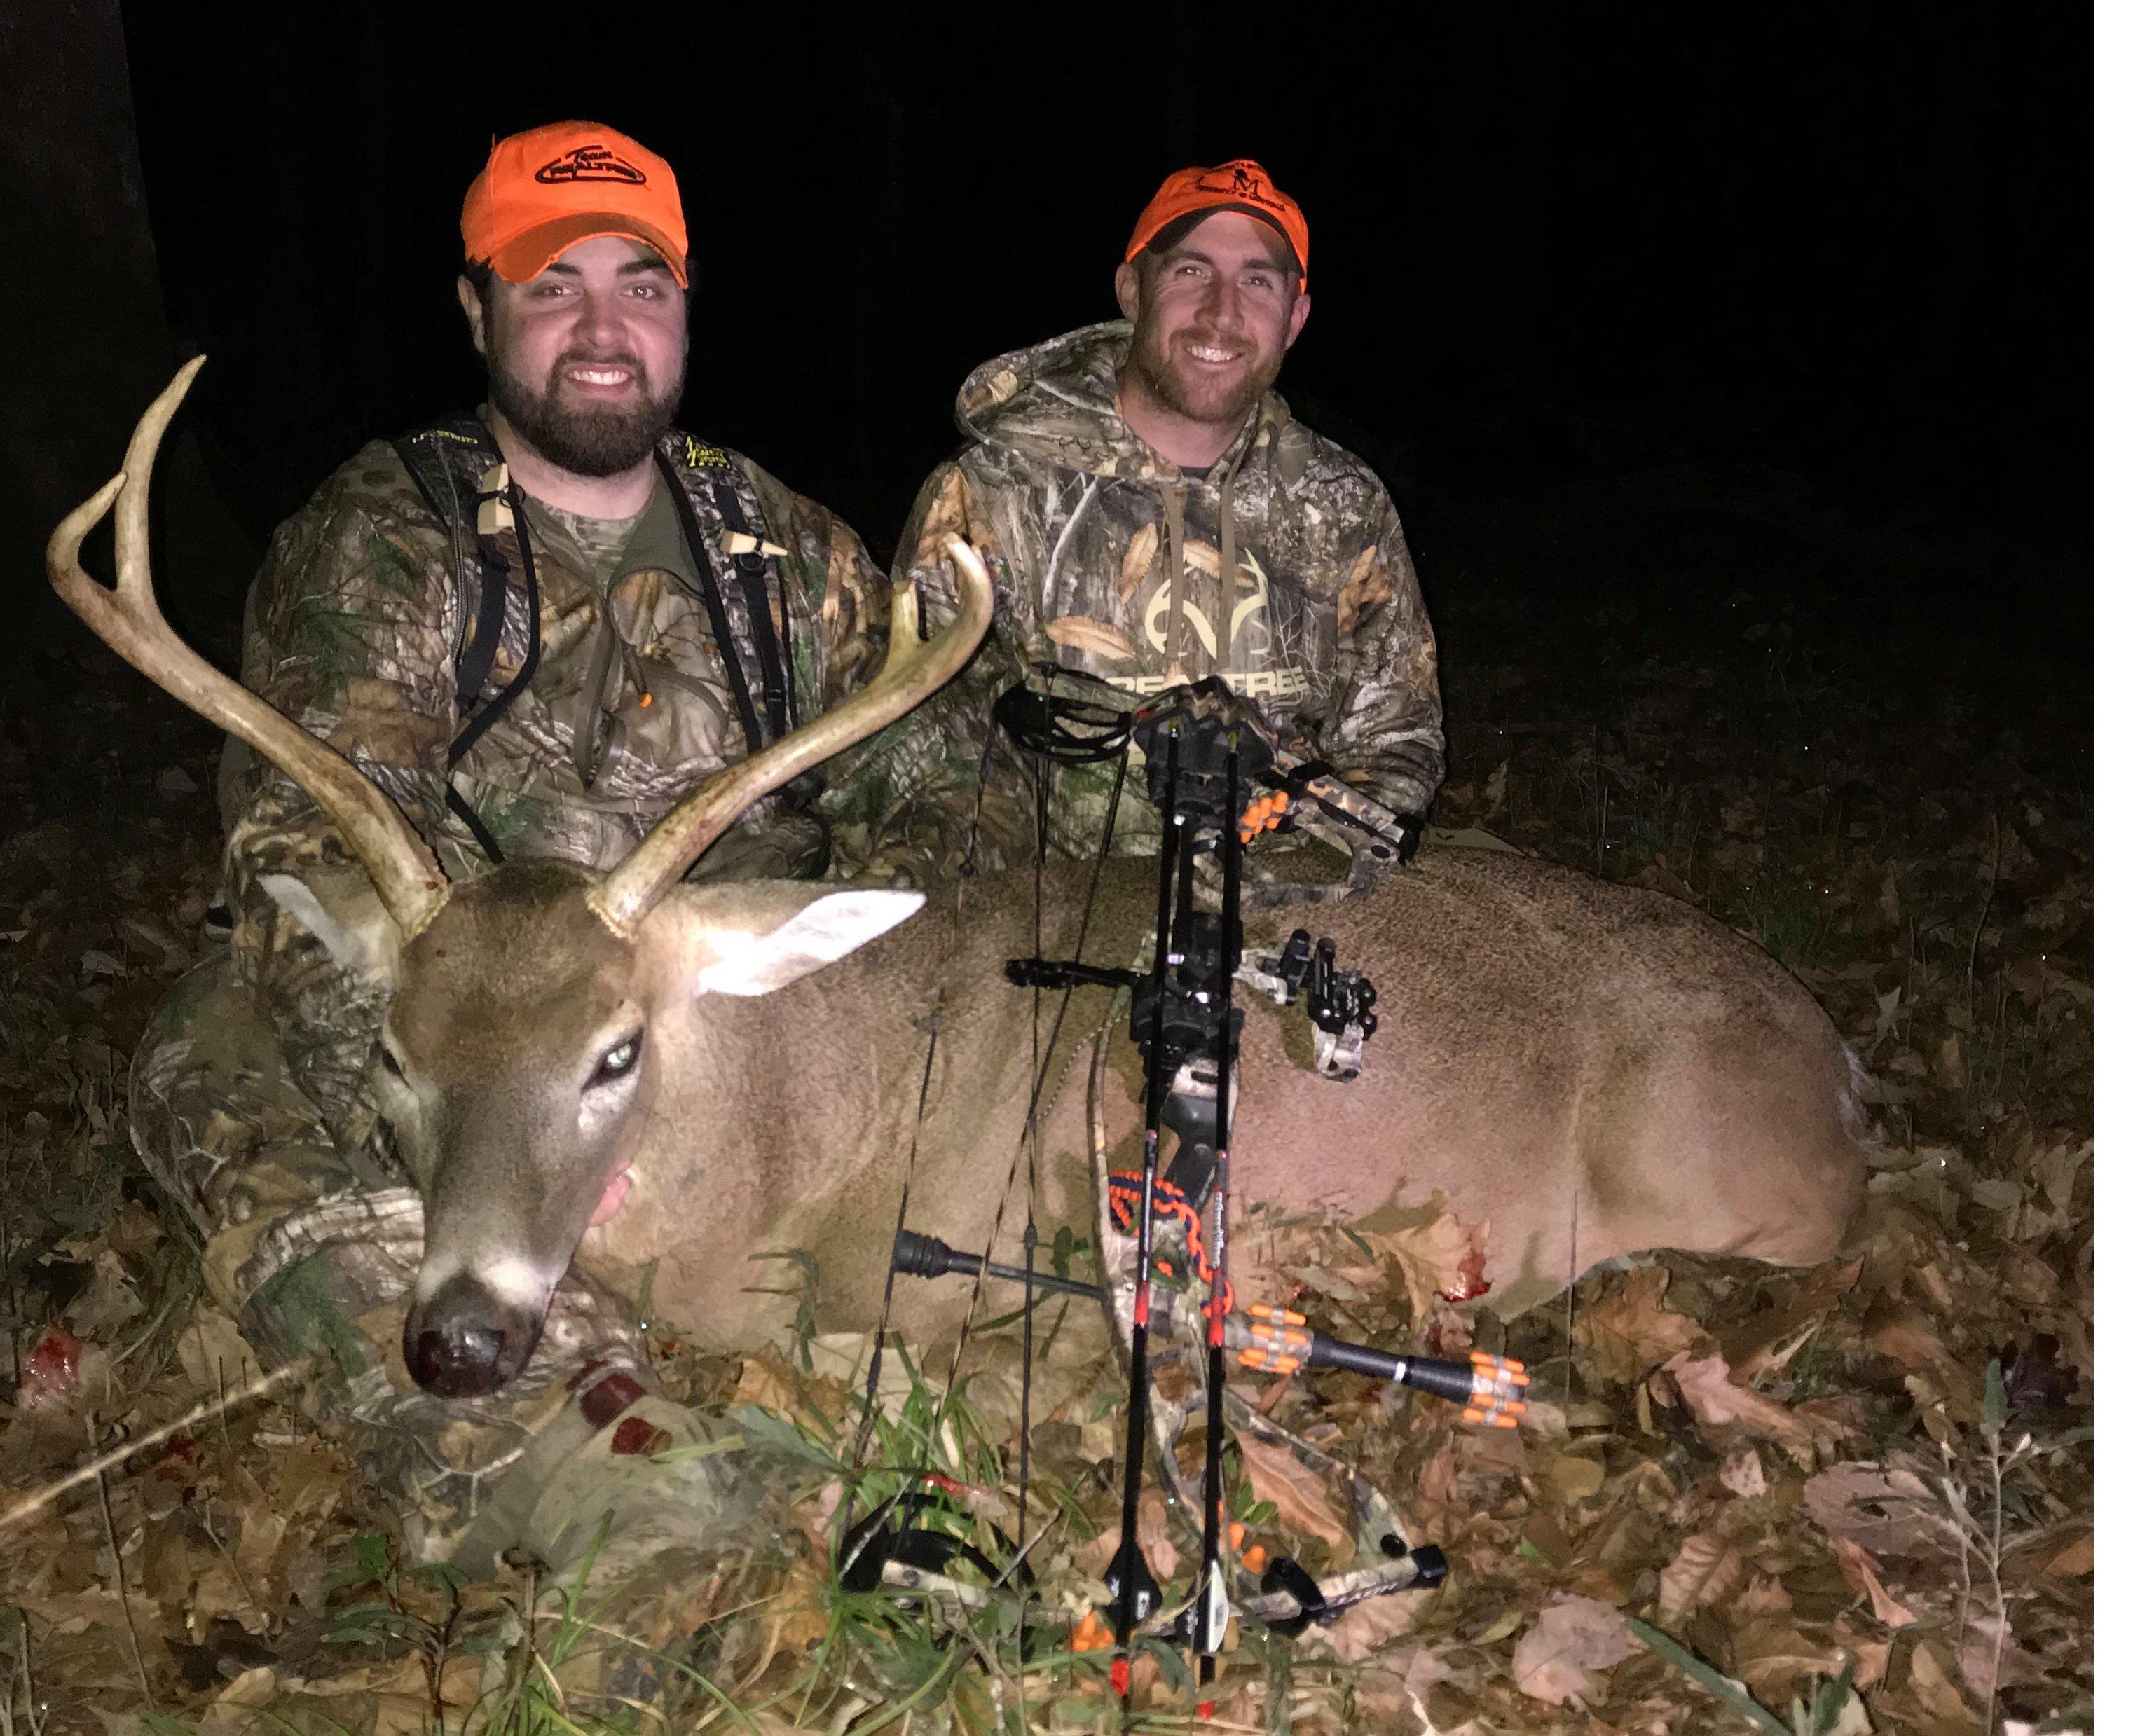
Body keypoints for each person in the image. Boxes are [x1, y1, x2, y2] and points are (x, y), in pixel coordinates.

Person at [130, 121, 912, 1596]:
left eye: (642, 285)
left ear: (686, 312)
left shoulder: (789, 554)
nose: (605, 328)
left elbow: (949, 809)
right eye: (553, 287)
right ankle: (585, 1471)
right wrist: (459, 1110)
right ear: (477, 310)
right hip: (469, 1032)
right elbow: (310, 852)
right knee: (214, 1054)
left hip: (726, 1052)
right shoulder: (388, 535)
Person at [880, 158, 1446, 874]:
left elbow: (1396, 741)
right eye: (1189, 272)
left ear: (1295, 317)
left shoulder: (1344, 504)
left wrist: (1313, 861)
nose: (1221, 312)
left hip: (1271, 897)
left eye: (1259, 282)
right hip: (1043, 911)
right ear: (1132, 290)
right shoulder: (992, 490)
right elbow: (915, 732)